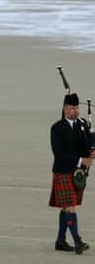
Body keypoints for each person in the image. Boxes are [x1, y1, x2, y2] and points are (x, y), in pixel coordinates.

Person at [49, 93, 94, 254]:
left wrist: (91, 150)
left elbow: (85, 145)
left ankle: (61, 241)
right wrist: (82, 161)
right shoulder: (57, 128)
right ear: (64, 109)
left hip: (77, 174)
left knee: (66, 208)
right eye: (71, 108)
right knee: (71, 207)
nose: (74, 111)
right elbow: (59, 153)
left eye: (76, 108)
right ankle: (77, 241)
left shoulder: (81, 125)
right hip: (62, 172)